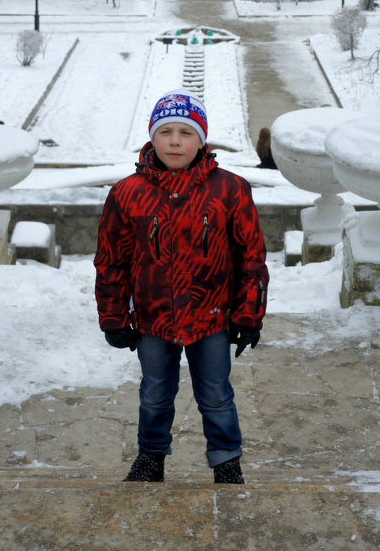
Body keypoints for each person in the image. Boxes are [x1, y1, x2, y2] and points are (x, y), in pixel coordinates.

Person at [94, 89, 269, 485]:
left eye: (186, 132)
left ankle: (227, 462)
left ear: (202, 140)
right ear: (152, 137)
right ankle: (150, 457)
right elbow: (111, 260)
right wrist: (113, 317)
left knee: (216, 395)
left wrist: (248, 316)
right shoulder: (127, 193)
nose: (175, 141)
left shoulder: (230, 189)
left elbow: (250, 259)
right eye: (166, 131)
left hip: (210, 318)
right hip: (155, 319)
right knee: (155, 393)